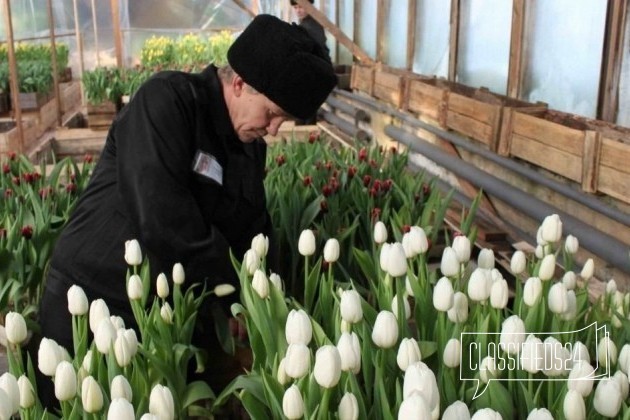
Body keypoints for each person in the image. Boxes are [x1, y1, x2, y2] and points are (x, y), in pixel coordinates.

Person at [33, 13, 336, 409]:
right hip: (92, 297)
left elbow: (254, 228)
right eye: (274, 113)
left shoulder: (248, 145)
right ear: (241, 83)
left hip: (166, 313)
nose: (275, 130)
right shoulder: (167, 102)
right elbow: (161, 216)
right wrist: (238, 287)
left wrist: (265, 302)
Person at [290, 0, 331, 125]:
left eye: (301, 7)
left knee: (306, 105)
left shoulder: (311, 26)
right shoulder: (306, 23)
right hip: (311, 69)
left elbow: (316, 50)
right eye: (296, 7)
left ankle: (306, 131)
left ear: (309, 6)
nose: (298, 10)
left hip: (314, 70)